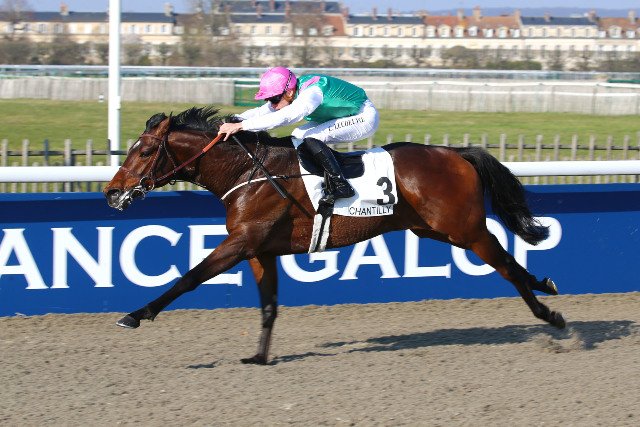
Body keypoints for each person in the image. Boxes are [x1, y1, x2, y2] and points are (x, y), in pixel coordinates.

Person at [218, 66, 379, 204]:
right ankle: (316, 177)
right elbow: (262, 112)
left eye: (274, 99)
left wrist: (241, 126)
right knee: (297, 135)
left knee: (311, 138)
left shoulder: (311, 94)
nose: (272, 104)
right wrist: (234, 119)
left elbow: (285, 117)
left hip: (363, 117)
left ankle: (341, 185)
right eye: (269, 99)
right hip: (341, 116)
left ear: (289, 92)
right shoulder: (290, 93)